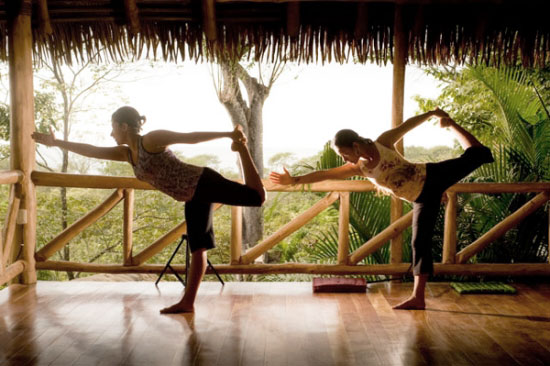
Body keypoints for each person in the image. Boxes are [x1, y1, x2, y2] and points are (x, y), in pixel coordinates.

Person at [32, 106, 265, 314]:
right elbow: (91, 150)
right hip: (192, 197)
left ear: (124, 126)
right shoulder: (126, 154)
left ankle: (241, 149)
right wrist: (57, 143)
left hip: (202, 182)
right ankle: (188, 302)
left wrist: (230, 135)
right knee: (198, 247)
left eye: (113, 128)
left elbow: (190, 138)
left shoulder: (151, 141)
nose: (111, 133)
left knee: (257, 198)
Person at [270, 108, 493, 310]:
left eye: (344, 153)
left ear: (355, 145)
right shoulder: (358, 168)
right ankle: (418, 297)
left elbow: (407, 125)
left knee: (479, 155)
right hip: (422, 198)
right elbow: (325, 174)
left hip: (432, 176)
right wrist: (295, 180)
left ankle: (452, 125)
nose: (344, 158)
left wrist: (432, 114)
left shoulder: (383, 143)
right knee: (419, 242)